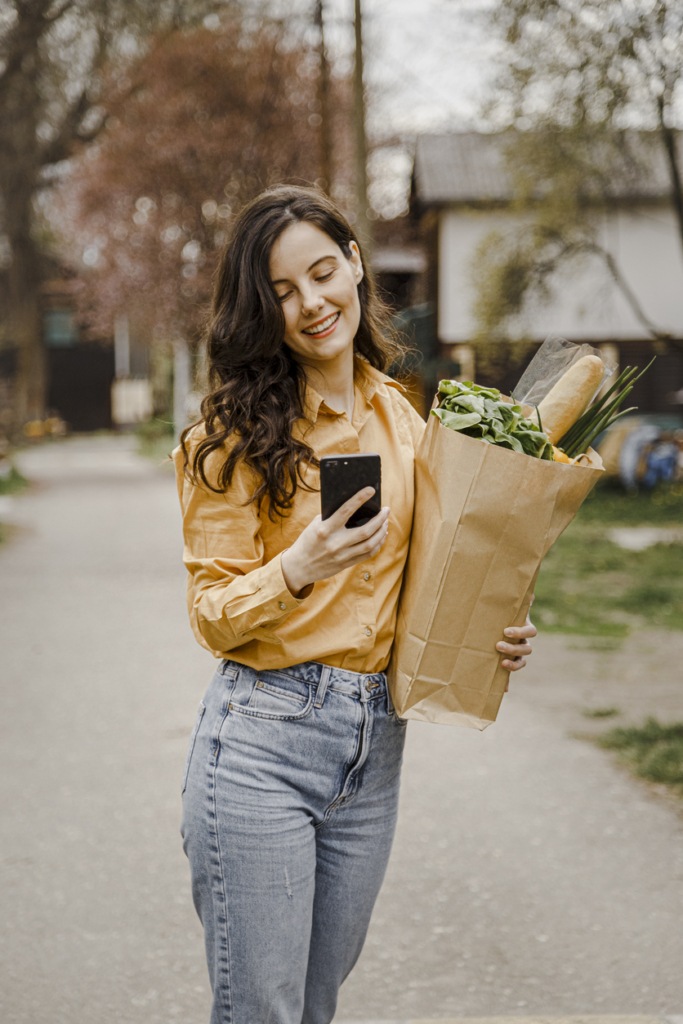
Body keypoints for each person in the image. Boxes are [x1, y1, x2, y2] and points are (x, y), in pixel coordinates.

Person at [173, 184, 536, 1024]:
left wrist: (493, 630)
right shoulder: (227, 438)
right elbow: (211, 613)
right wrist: (296, 566)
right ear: (261, 309)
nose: (310, 304)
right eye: (283, 292)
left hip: (374, 752)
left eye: (322, 272)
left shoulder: (403, 422)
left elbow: (433, 574)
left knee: (313, 1009)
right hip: (262, 743)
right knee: (261, 1013)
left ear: (357, 265)